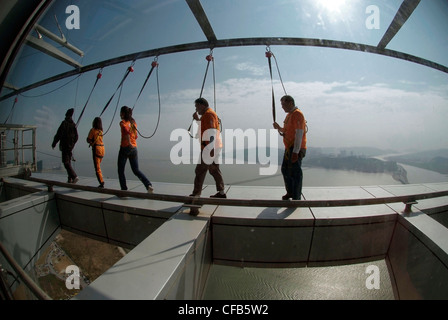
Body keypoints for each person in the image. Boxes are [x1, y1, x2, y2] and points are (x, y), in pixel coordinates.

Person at [190, 97, 226, 198]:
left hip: (209, 147)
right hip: (213, 146)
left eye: (197, 106)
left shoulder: (209, 115)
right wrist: (197, 120)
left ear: (202, 105)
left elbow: (211, 131)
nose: (196, 109)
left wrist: (210, 148)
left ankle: (196, 194)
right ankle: (221, 193)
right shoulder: (208, 114)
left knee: (200, 171)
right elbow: (204, 127)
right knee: (214, 170)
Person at [273, 95, 307, 200]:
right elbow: (288, 131)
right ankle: (291, 192)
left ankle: (296, 197)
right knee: (285, 170)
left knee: (295, 172)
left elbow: (299, 133)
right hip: (289, 148)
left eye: (283, 104)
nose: (282, 107)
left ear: (290, 103)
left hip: (295, 148)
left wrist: (296, 152)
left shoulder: (297, 114)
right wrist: (279, 128)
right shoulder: (290, 115)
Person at [117, 106, 153, 192]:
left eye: (121, 112)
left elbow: (126, 131)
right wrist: (131, 142)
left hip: (125, 147)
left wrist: (129, 142)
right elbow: (136, 136)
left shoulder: (122, 123)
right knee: (136, 170)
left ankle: (124, 189)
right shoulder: (133, 123)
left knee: (120, 170)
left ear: (123, 113)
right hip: (134, 148)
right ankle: (148, 185)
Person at [52, 108, 79, 183]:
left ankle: (74, 176)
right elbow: (76, 136)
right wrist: (73, 143)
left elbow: (59, 134)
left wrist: (54, 143)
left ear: (67, 115)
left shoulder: (64, 123)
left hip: (65, 146)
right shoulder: (73, 125)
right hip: (70, 146)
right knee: (68, 161)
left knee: (66, 162)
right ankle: (70, 178)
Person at [87, 117, 105, 188]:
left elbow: (89, 139)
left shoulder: (93, 130)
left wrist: (90, 142)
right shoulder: (101, 131)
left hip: (96, 149)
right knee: (98, 166)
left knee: (97, 168)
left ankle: (101, 182)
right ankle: (101, 180)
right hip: (102, 149)